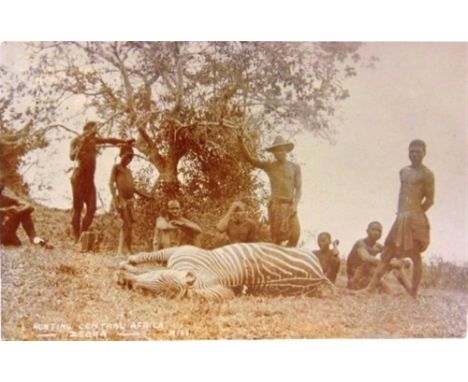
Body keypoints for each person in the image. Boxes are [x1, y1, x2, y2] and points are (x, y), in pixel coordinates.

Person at [367, 140, 434, 298]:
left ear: (424, 153)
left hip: (415, 218)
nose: (415, 154)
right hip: (400, 218)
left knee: (415, 255)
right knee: (387, 252)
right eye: (412, 151)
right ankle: (370, 288)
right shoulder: (403, 171)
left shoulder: (427, 174)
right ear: (408, 153)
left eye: (418, 151)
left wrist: (416, 214)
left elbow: (430, 200)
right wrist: (403, 215)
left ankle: (413, 293)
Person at [69, 121, 134, 243]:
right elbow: (72, 157)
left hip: (89, 181)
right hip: (78, 179)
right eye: (93, 130)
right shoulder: (76, 140)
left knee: (92, 209)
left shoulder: (94, 140)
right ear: (87, 129)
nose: (95, 132)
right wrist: (80, 145)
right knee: (78, 208)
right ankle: (76, 237)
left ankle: (83, 234)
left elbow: (109, 140)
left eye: (96, 131)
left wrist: (124, 142)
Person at [238, 134, 301, 246]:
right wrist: (241, 141)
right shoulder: (270, 166)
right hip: (275, 205)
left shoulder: (295, 167)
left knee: (295, 234)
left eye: (281, 150)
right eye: (276, 151)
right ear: (273, 153)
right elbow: (250, 159)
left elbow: (299, 189)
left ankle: (286, 254)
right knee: (277, 237)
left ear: (286, 150)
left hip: (289, 204)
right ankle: (277, 258)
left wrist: (295, 205)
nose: (279, 153)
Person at [109, 144, 153, 255]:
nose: (128, 160)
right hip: (122, 200)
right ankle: (127, 250)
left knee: (129, 226)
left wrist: (146, 196)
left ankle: (125, 250)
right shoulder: (116, 167)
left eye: (130, 158)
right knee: (126, 225)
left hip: (130, 201)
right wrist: (116, 200)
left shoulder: (129, 171)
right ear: (121, 155)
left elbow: (133, 188)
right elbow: (111, 183)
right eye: (126, 156)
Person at [347, 221, 410, 292]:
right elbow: (366, 258)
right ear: (367, 231)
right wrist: (390, 263)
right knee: (369, 265)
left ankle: (411, 290)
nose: (376, 233)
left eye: (379, 231)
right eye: (373, 229)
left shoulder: (377, 246)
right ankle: (389, 291)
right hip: (354, 280)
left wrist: (402, 261)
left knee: (396, 266)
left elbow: (392, 254)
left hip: (367, 278)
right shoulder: (360, 244)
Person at [0, 173, 50, 248]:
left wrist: (18, 210)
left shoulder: (6, 199)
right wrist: (4, 210)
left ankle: (34, 238)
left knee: (24, 211)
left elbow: (29, 206)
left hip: (5, 233)